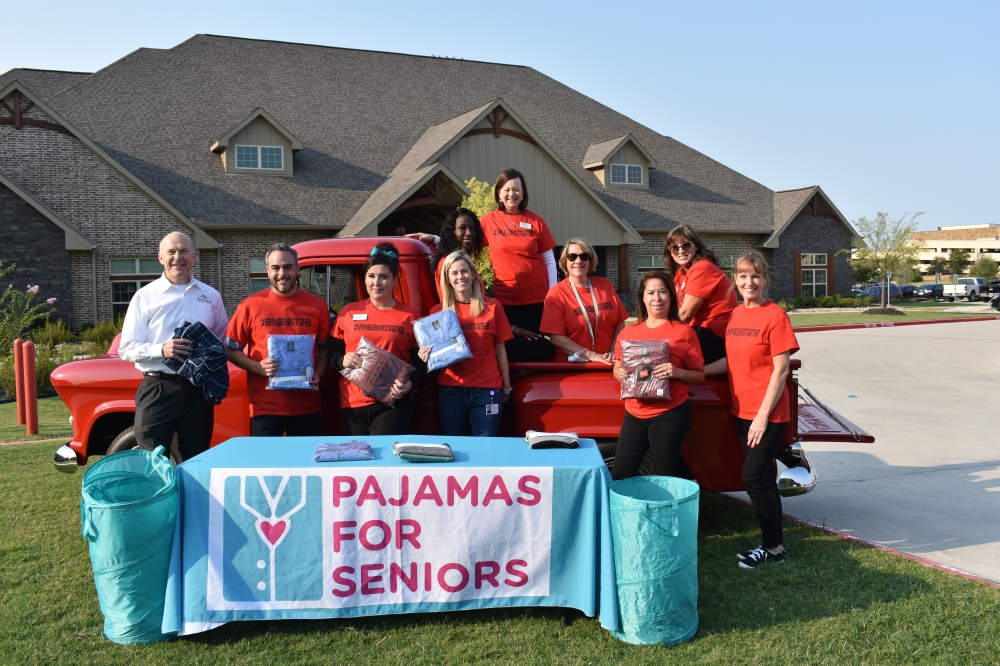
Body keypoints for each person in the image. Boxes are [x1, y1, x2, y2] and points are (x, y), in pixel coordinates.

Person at [118, 231, 228, 461]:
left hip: (197, 391)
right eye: (171, 251)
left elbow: (221, 341)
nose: (178, 257)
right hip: (158, 387)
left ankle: (193, 498)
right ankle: (156, 497)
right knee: (152, 460)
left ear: (193, 257)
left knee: (196, 459)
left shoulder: (211, 296)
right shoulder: (144, 296)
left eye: (183, 251)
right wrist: (161, 349)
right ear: (160, 258)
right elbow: (127, 347)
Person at [724, 251, 800, 569]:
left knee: (753, 477)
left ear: (765, 280)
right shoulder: (735, 315)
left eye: (755, 275)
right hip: (741, 409)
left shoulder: (775, 316)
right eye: (743, 275)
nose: (749, 281)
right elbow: (729, 361)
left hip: (768, 413)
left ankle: (771, 547)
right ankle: (775, 548)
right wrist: (691, 370)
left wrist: (762, 416)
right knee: (765, 478)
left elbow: (781, 371)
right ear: (736, 280)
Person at [224, 243, 330, 437]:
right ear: (267, 270)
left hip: (307, 406)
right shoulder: (250, 306)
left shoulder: (317, 306)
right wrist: (258, 367)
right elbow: (230, 350)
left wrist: (319, 375)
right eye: (276, 267)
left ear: (298, 268)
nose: (282, 273)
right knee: (267, 466)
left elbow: (324, 350)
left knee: (304, 465)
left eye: (288, 267)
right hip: (265, 408)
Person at [611, 271, 705, 480]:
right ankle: (629, 512)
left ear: (671, 297)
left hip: (669, 413)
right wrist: (620, 372)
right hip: (634, 413)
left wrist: (677, 372)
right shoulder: (628, 332)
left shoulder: (683, 332)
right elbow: (617, 368)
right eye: (651, 292)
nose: (656, 298)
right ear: (642, 297)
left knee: (666, 475)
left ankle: (670, 512)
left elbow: (700, 376)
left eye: (662, 292)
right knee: (620, 474)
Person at [329, 241, 426, 436]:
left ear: (394, 280)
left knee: (383, 459)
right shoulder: (348, 312)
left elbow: (422, 362)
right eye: (371, 276)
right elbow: (331, 352)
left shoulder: (411, 316)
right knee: (359, 460)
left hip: (393, 403)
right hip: (352, 403)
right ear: (364, 279)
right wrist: (342, 360)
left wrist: (409, 385)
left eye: (383, 277)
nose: (377, 282)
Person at [419, 250, 513, 436]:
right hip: (450, 392)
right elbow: (435, 354)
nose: (460, 277)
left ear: (472, 274)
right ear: (447, 279)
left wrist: (507, 386)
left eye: (464, 271)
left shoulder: (493, 307)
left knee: (486, 451)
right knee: (456, 452)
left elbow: (501, 351)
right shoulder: (438, 312)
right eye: (454, 273)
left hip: (486, 392)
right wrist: (425, 355)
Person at [478, 168, 557, 361]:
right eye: (507, 189)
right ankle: (512, 386)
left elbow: (549, 260)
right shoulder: (489, 220)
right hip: (506, 300)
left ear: (523, 193)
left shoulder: (536, 221)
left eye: (516, 189)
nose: (512, 194)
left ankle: (536, 387)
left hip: (537, 299)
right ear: (499, 192)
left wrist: (553, 294)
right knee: (510, 347)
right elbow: (466, 241)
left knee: (537, 347)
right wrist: (437, 239)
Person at [663, 225, 738, 375]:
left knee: (666, 354)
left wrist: (659, 336)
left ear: (695, 245)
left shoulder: (702, 268)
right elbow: (674, 310)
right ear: (670, 252)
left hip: (717, 335)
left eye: (685, 245)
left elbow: (685, 314)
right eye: (674, 248)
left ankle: (692, 378)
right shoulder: (682, 273)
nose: (681, 250)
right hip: (700, 331)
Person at [540, 237, 628, 364]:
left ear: (590, 260)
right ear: (565, 261)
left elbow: (620, 323)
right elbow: (556, 337)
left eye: (584, 256)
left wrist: (614, 349)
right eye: (572, 257)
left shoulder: (606, 285)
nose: (578, 261)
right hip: (571, 367)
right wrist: (592, 355)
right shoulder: (556, 293)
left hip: (607, 363)